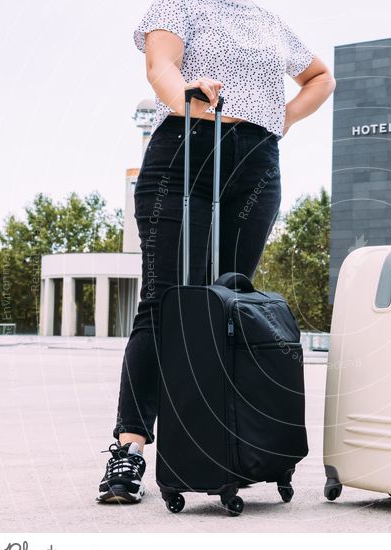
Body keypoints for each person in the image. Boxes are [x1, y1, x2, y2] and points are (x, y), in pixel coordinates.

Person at [97, 0, 335, 504]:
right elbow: (161, 63)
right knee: (165, 300)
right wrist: (181, 93)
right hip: (186, 151)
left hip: (255, 164)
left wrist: (280, 119)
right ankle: (130, 447)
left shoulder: (269, 21)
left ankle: (216, 444)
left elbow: (320, 78)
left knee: (226, 304)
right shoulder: (181, 5)